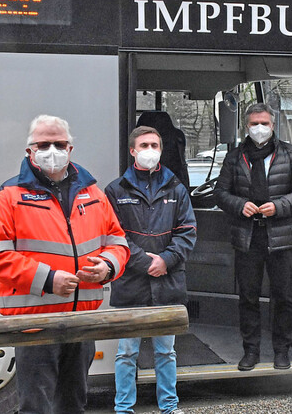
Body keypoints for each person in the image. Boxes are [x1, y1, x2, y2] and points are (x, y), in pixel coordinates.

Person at [0, 115, 130, 414]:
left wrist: (108, 267)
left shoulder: (93, 194)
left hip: (81, 325)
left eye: (59, 144)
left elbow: (118, 241)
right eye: (44, 144)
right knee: (36, 407)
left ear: (70, 149)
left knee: (74, 405)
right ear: (29, 152)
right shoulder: (9, 196)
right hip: (35, 325)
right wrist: (48, 280)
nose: (52, 150)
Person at [213, 103, 292, 371]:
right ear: (246, 126)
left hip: (282, 237)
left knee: (284, 297)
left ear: (273, 125)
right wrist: (238, 204)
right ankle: (251, 351)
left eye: (264, 123)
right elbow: (220, 192)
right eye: (254, 124)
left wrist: (279, 207)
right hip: (247, 237)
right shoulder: (234, 157)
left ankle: (282, 350)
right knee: (248, 297)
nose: (259, 128)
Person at [105, 126, 196, 414]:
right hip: (131, 283)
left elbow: (188, 232)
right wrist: (147, 263)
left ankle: (169, 406)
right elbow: (113, 236)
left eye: (155, 145)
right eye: (143, 145)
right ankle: (124, 409)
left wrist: (166, 260)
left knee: (166, 352)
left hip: (167, 283)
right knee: (126, 353)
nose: (150, 150)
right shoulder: (116, 190)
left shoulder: (176, 188)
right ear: (132, 150)